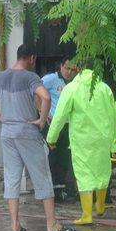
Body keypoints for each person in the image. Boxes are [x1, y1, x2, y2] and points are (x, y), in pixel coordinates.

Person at [0, 44, 75, 231]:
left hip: (7, 133)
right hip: (28, 133)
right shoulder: (31, 77)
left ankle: (15, 225)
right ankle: (51, 224)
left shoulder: (0, 77)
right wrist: (41, 119)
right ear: (32, 58)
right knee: (43, 177)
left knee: (12, 178)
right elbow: (45, 96)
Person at [46, 66, 116, 225]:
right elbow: (113, 115)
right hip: (103, 138)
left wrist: (51, 138)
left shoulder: (71, 88)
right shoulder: (105, 88)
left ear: (78, 69)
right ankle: (100, 207)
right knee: (102, 171)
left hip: (82, 139)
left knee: (84, 175)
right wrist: (112, 140)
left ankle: (86, 215)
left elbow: (59, 116)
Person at [41, 57, 78, 200]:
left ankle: (61, 189)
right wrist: (42, 113)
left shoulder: (75, 83)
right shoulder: (51, 79)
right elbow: (36, 92)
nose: (68, 72)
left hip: (69, 125)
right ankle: (51, 191)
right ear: (60, 66)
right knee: (52, 157)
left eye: (71, 69)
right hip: (53, 125)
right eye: (66, 68)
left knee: (64, 157)